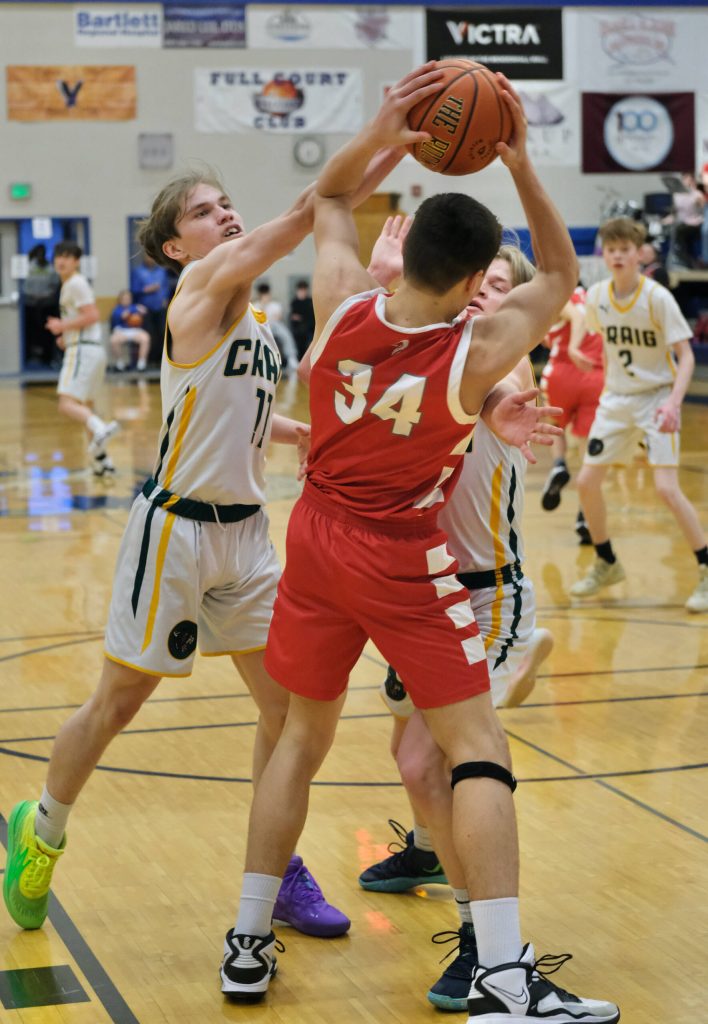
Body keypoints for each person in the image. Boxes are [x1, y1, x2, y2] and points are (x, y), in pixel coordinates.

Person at [222, 66, 619, 1024]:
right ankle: (502, 978)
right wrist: (522, 162)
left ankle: (244, 939)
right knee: (476, 745)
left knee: (298, 741)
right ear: (479, 275)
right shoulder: (474, 351)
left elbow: (328, 196)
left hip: (313, 538)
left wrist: (389, 132)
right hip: (399, 553)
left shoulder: (343, 307)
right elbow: (565, 275)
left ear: (404, 257)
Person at [3, 144, 404, 944]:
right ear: (175, 246)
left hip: (248, 539)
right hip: (178, 536)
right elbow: (303, 217)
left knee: (286, 711)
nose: (223, 213)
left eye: (225, 202)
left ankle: (277, 870)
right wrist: (388, 134)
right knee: (120, 702)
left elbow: (248, 418)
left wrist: (305, 430)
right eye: (202, 210)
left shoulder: (252, 323)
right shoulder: (194, 291)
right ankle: (40, 830)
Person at [357, 245, 556, 1012]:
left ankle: (485, 942)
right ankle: (431, 854)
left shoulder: (507, 376)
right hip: (421, 591)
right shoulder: (431, 359)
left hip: (488, 597)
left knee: (428, 759)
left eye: (503, 288)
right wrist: (384, 286)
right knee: (410, 754)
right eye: (480, 284)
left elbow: (503, 385)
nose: (487, 296)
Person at [571, 217, 708, 613]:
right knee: (586, 482)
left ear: (638, 254)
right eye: (610, 249)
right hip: (617, 399)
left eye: (624, 249)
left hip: (656, 397)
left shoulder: (657, 298)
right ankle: (606, 561)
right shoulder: (598, 295)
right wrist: (578, 346)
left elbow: (684, 357)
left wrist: (673, 403)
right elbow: (581, 314)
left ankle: (704, 567)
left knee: (666, 488)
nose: (616, 255)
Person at [45, 242, 120, 478]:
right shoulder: (70, 284)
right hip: (91, 349)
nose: (61, 260)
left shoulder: (75, 283)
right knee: (85, 406)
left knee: (66, 404)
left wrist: (61, 326)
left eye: (67, 256)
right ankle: (102, 461)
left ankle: (101, 429)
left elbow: (92, 315)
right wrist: (66, 336)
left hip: (83, 352)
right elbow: (83, 319)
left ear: (77, 261)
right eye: (58, 255)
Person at [539, 286, 605, 544]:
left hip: (565, 370)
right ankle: (584, 517)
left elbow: (573, 319)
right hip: (595, 376)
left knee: (553, 423)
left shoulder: (561, 296)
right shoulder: (599, 304)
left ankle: (558, 466)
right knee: (591, 456)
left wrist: (574, 348)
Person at [23, 243, 61, 367]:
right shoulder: (29, 267)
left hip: (47, 305)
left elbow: (55, 286)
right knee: (30, 332)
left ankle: (47, 358)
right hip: (30, 305)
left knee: (47, 333)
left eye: (43, 252)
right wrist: (33, 295)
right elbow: (23, 285)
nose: (41, 255)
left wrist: (45, 296)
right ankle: (28, 356)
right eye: (38, 252)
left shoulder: (51, 268)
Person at [130, 253, 172, 362]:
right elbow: (133, 290)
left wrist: (166, 300)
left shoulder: (161, 271)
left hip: (160, 308)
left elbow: (166, 287)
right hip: (145, 309)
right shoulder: (138, 272)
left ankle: (161, 361)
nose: (151, 259)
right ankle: (150, 361)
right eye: (149, 257)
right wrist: (146, 290)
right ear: (144, 258)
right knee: (150, 335)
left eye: (153, 257)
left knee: (163, 333)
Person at [253, 281, 299, 374]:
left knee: (285, 333)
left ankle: (292, 358)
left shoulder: (275, 305)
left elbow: (278, 317)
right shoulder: (256, 305)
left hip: (274, 326)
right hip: (261, 327)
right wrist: (263, 305)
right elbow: (256, 319)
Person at [109, 288, 150, 371]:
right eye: (124, 299)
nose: (126, 300)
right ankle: (120, 364)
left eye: (128, 298)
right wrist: (135, 309)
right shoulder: (117, 310)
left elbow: (145, 311)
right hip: (121, 331)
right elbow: (124, 315)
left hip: (135, 330)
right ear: (120, 300)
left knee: (145, 338)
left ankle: (141, 364)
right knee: (113, 340)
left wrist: (139, 310)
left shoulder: (135, 306)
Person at [288, 278, 315, 359]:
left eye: (304, 290)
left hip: (309, 328)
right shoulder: (294, 302)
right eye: (301, 290)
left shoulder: (310, 301)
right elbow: (293, 317)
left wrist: (301, 318)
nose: (302, 292)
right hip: (297, 329)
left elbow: (310, 317)